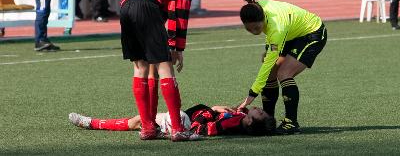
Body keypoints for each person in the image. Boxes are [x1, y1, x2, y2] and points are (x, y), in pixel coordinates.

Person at [119, 0, 213, 142]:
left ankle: (147, 128)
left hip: (126, 6)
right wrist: (178, 47)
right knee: (165, 68)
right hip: (147, 6)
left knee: (140, 68)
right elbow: (180, 10)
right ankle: (178, 130)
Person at [237, 0, 327, 135]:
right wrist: (269, 50)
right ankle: (267, 119)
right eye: (249, 29)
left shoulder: (276, 26)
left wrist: (251, 96)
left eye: (257, 28)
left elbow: (269, 57)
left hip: (312, 33)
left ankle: (291, 123)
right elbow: (270, 40)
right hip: (291, 34)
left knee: (283, 73)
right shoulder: (255, 9)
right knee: (270, 72)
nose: (254, 32)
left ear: (263, 19)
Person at [68, 104, 276, 137]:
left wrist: (210, 111)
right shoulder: (241, 117)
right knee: (140, 119)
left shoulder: (230, 125)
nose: (260, 109)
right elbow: (239, 112)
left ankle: (91, 123)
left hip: (184, 122)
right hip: (183, 119)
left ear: (250, 123)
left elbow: (202, 129)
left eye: (260, 114)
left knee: (138, 121)